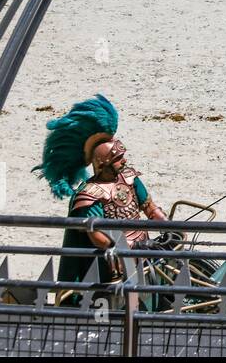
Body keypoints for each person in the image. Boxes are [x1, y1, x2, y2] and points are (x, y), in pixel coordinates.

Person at [33, 95, 168, 298]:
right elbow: (96, 235)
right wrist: (128, 247)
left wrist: (165, 224)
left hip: (145, 250)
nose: (123, 161)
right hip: (114, 261)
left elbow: (149, 207)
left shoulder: (130, 178)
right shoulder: (89, 194)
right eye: (117, 158)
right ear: (102, 163)